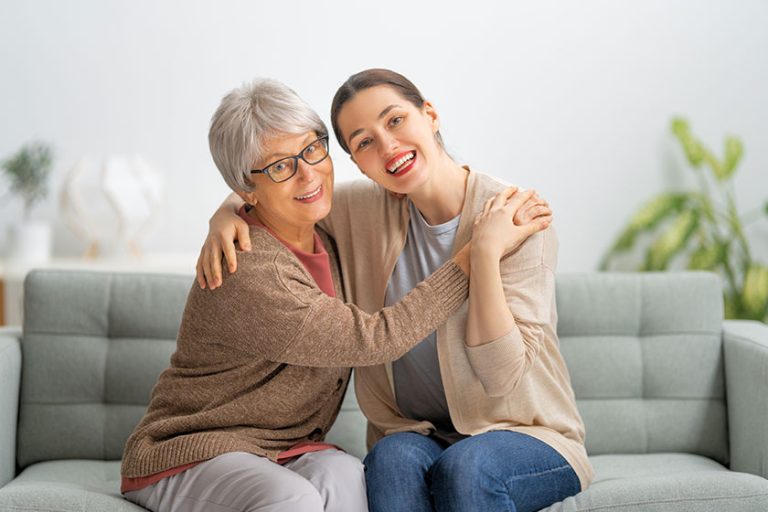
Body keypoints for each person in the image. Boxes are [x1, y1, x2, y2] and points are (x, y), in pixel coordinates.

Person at [121, 78, 548, 512]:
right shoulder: (250, 269)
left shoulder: (331, 226)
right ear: (249, 188)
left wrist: (228, 208)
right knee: (293, 499)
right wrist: (475, 255)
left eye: (311, 150)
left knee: (347, 477)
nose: (307, 174)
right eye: (281, 167)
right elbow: (373, 340)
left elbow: (262, 186)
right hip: (194, 451)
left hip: (285, 449)